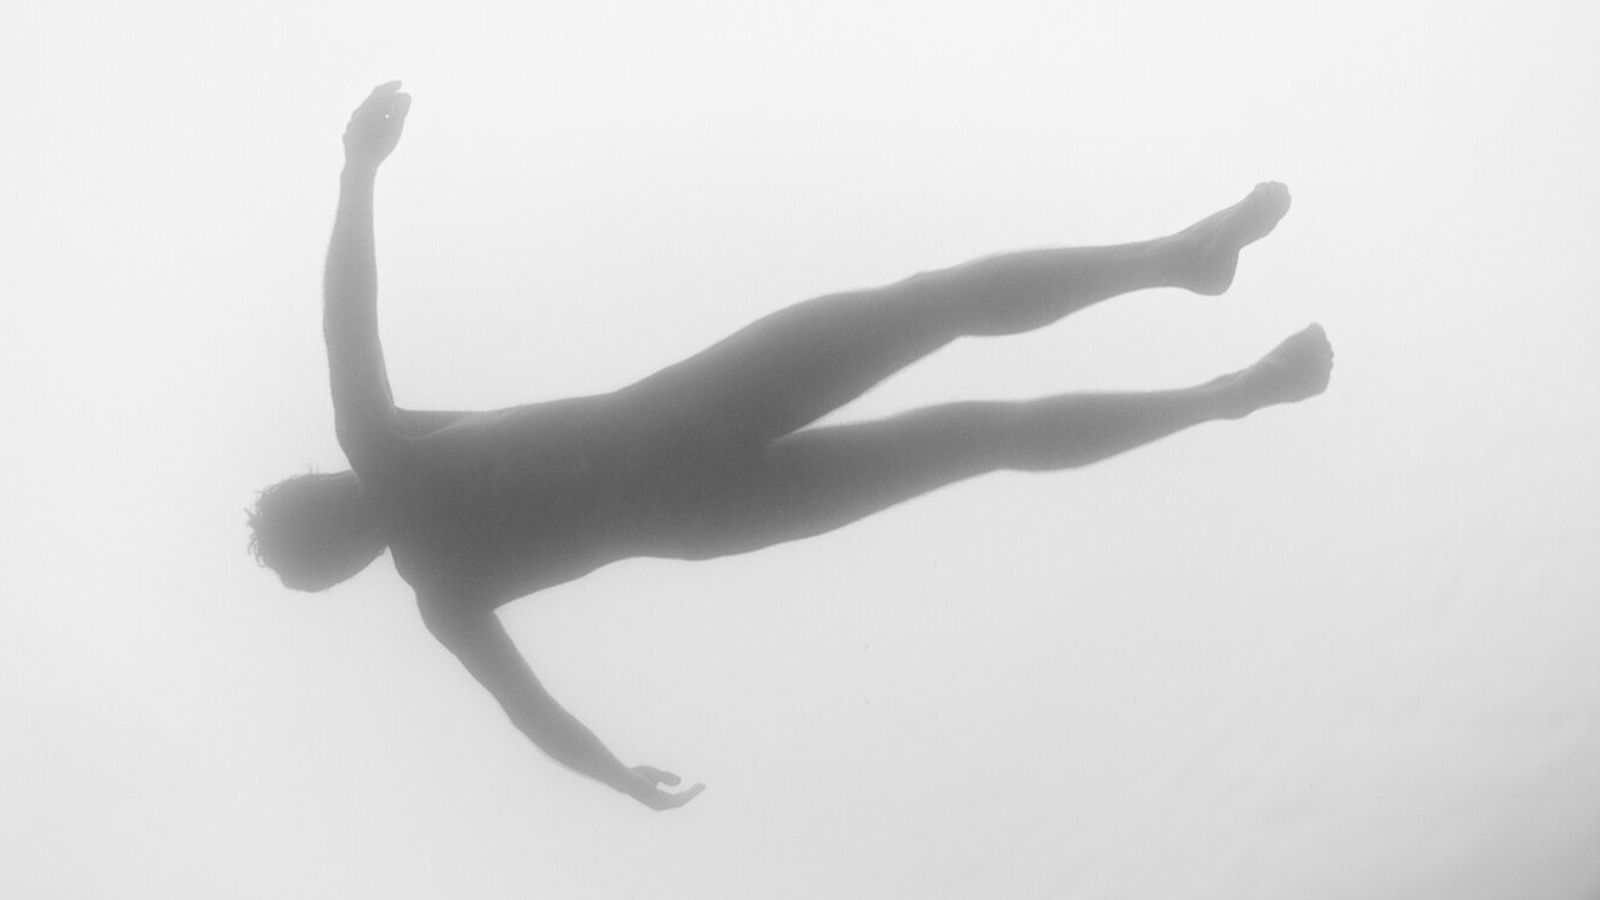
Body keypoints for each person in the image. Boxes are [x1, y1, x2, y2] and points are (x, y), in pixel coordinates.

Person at [248, 82, 1333, 811]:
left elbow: (533, 715)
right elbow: (347, 313)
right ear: (325, 491)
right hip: (698, 419)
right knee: (940, 318)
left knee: (979, 429)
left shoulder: (438, 580)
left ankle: (1222, 375)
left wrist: (615, 778)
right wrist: (358, 168)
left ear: (347, 566)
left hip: (710, 512)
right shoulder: (386, 450)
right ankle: (1180, 276)